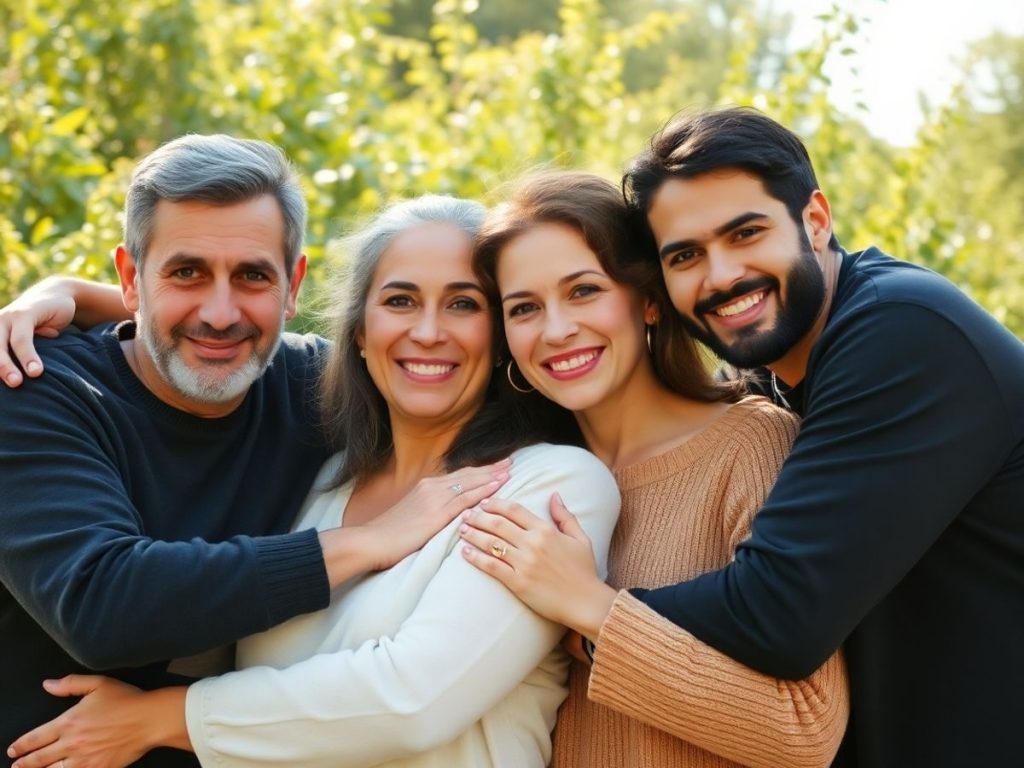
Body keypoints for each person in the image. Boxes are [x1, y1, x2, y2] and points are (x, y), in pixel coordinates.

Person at [484, 108, 1023, 767]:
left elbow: (781, 614)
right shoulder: (780, 381)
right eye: (685, 255)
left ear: (816, 222)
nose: (720, 275)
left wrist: (586, 608)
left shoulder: (901, 334)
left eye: (745, 233)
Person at [7, 195, 621, 768]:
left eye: (464, 303)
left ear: (505, 330)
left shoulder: (547, 484)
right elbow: (218, 325)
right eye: (400, 301)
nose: (428, 331)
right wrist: (68, 295)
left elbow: (412, 700)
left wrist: (160, 718)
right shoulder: (323, 473)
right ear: (358, 329)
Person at [459, 170, 847, 767]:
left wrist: (588, 608)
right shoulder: (519, 478)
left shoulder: (753, 444)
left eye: (584, 290)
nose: (557, 330)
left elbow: (804, 731)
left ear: (646, 298)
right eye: (524, 308)